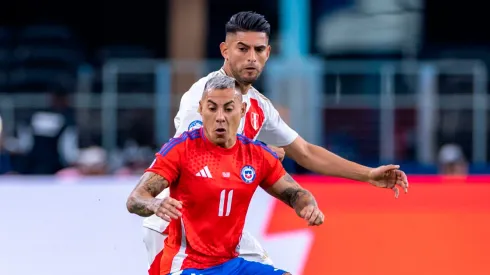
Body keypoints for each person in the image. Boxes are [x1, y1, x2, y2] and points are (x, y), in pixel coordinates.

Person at [142, 11, 410, 273]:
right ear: (225, 50)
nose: (251, 58)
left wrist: (368, 174)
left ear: (267, 53)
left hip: (220, 228)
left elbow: (305, 152)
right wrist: (258, 151)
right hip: (177, 222)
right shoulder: (204, 97)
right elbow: (198, 149)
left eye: (258, 50)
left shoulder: (259, 106)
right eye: (242, 49)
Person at [127, 75, 324, 275]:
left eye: (228, 109)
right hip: (186, 265)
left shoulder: (256, 155)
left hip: (231, 264)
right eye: (212, 108)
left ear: (242, 110)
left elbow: (294, 193)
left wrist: (308, 206)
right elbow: (135, 198)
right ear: (201, 109)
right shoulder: (181, 149)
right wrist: (154, 204)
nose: (220, 116)